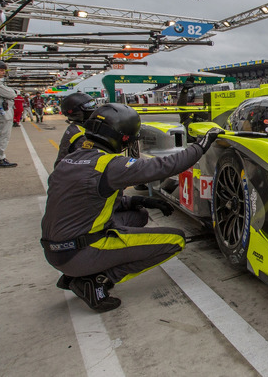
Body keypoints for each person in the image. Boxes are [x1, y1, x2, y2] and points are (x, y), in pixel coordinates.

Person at [41, 103, 223, 312]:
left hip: (56, 249)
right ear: (122, 137)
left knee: (138, 216)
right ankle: (97, 280)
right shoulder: (109, 165)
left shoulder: (70, 159)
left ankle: (77, 272)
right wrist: (201, 146)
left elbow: (84, 201)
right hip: (80, 251)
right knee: (176, 240)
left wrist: (138, 201)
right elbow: (165, 166)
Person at [54, 92, 100, 167]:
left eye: (93, 104)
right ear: (76, 112)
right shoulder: (80, 136)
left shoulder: (77, 127)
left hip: (67, 171)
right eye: (89, 105)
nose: (93, 108)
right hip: (70, 174)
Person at [0, 59, 17, 167]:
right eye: (1, 70)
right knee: (1, 135)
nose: (3, 72)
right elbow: (11, 94)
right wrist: (14, 92)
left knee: (0, 135)